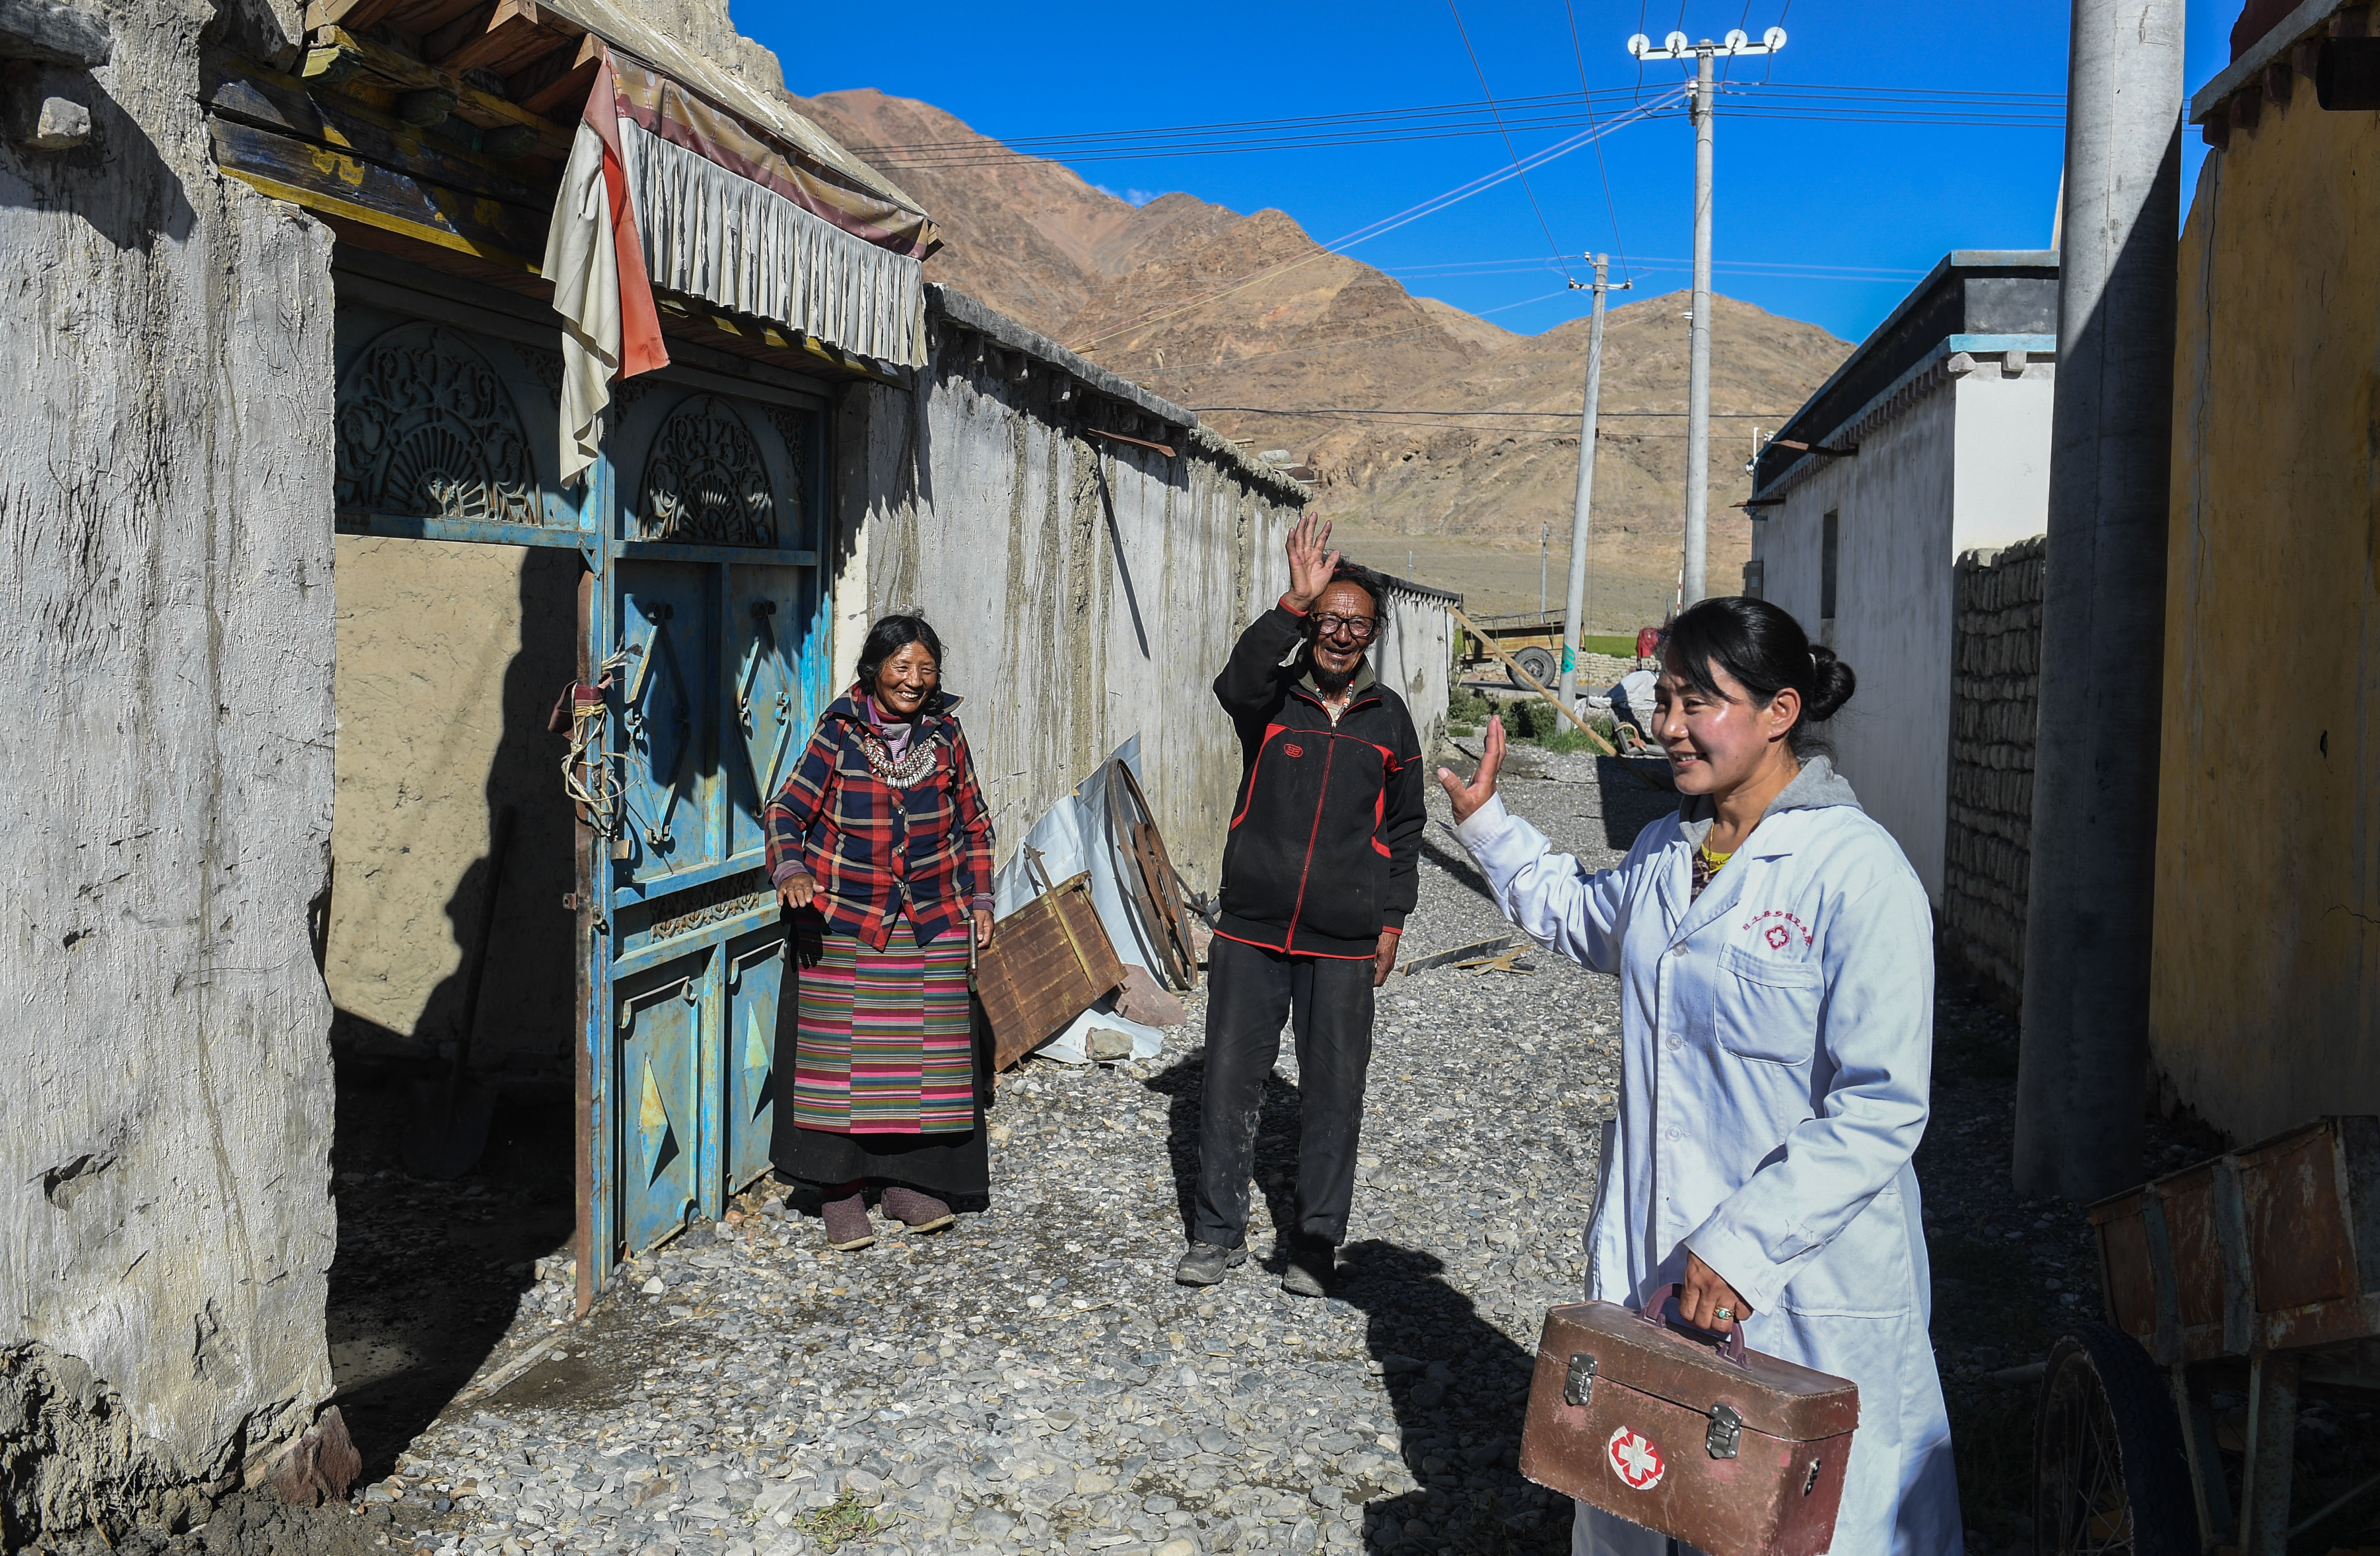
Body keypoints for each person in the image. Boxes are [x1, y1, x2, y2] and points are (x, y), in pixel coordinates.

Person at [1440, 596, 1961, 1556]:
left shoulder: (1854, 872)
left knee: (1807, 1517)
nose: (1668, 726)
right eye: (1664, 699)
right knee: (1654, 1490)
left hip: (1801, 1277)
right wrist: (1488, 827)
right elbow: (1582, 914)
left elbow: (1881, 1104)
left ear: (1779, 711)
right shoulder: (1663, 852)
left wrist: (1746, 1244)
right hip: (1660, 1256)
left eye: (1697, 702)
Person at [1176, 513, 1426, 1297]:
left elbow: (1405, 826)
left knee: (1334, 1093)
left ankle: (1315, 1244)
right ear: (1311, 624)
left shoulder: (1390, 719)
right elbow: (1233, 682)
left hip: (1343, 941)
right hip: (1251, 931)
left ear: (1373, 634)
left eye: (1357, 623)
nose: (1341, 635)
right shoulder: (1272, 699)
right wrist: (1291, 599)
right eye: (1328, 619)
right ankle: (1215, 1233)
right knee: (1228, 1084)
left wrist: (1392, 918)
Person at [764, 614, 997, 1253]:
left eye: (926, 669)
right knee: (838, 1065)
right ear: (874, 669)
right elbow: (786, 810)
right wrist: (790, 868)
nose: (914, 680)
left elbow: (974, 823)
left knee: (921, 1063)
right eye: (902, 666)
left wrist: (981, 898)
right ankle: (840, 1191)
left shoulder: (945, 734)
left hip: (931, 919)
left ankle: (904, 1183)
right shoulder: (839, 731)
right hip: (845, 919)